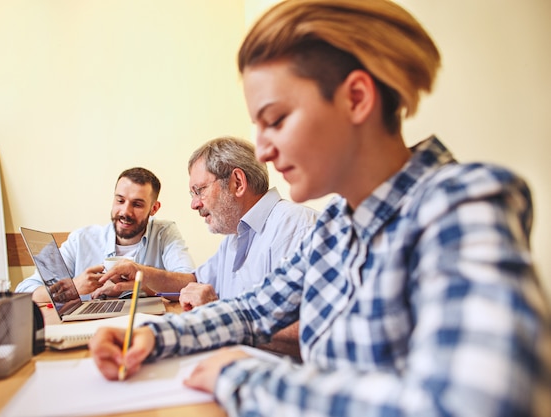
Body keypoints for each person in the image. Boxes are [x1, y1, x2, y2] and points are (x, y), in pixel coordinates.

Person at [89, 1, 551, 416]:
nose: (264, 152)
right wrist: (155, 338)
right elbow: (252, 311)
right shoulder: (336, 225)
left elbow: (474, 403)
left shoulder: (461, 204)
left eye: (276, 120)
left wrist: (242, 378)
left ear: (356, 98)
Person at [96, 136, 318, 356]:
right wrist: (140, 273)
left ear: (238, 183)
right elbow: (193, 282)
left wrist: (218, 312)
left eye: (199, 190)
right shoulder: (234, 238)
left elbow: (316, 332)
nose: (194, 204)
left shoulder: (296, 228)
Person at [16, 167, 195, 302]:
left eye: (137, 204)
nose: (125, 211)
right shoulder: (81, 240)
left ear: (154, 208)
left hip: (145, 328)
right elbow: (25, 291)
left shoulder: (165, 233)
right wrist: (73, 288)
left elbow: (189, 284)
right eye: (120, 200)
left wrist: (144, 287)